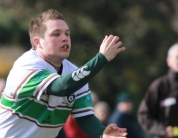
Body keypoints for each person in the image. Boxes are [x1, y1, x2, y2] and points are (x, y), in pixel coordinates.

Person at [0, 9, 127, 138]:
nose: (64, 38)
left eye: (67, 34)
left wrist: (102, 132)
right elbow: (60, 87)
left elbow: (85, 117)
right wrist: (101, 59)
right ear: (37, 42)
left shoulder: (74, 72)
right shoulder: (26, 65)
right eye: (56, 34)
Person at [138, 43, 178, 138]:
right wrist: (162, 131)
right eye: (177, 57)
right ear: (169, 61)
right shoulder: (160, 86)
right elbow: (144, 115)